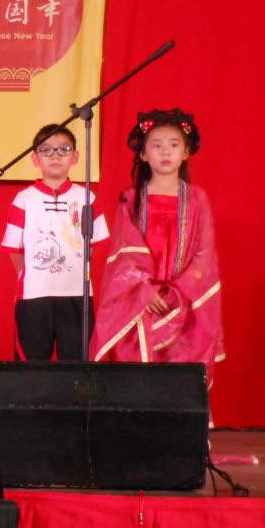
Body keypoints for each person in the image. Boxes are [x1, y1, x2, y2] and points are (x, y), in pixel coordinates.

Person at [93, 109, 223, 381]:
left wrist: (177, 291)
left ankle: (181, 419)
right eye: (157, 145)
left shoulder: (197, 199)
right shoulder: (131, 199)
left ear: (186, 152)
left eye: (174, 145)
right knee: (138, 366)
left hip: (184, 298)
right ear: (143, 154)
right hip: (141, 302)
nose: (166, 152)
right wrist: (143, 290)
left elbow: (205, 254)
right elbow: (123, 252)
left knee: (181, 365)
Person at [0, 124, 109, 360]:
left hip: (77, 297)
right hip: (34, 297)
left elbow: (95, 245)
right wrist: (38, 276)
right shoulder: (24, 199)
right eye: (46, 150)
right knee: (32, 367)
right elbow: (15, 250)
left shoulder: (87, 197)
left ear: (76, 157)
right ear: (35, 158)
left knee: (77, 366)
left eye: (64, 149)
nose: (55, 156)